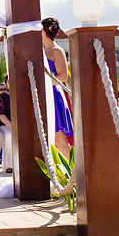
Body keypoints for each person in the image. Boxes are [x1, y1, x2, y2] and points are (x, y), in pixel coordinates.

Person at [42, 17, 73, 158]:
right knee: (49, 139)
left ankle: (69, 169)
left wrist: (44, 84)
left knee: (59, 138)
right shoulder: (41, 51)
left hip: (54, 95)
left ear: (46, 30)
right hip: (44, 95)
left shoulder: (57, 50)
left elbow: (63, 76)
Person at [0, 79, 12, 173]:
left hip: (20, 125)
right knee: (9, 135)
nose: (11, 82)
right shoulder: (2, 97)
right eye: (8, 80)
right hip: (4, 125)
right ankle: (11, 165)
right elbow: (1, 114)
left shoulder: (24, 95)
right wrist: (9, 125)